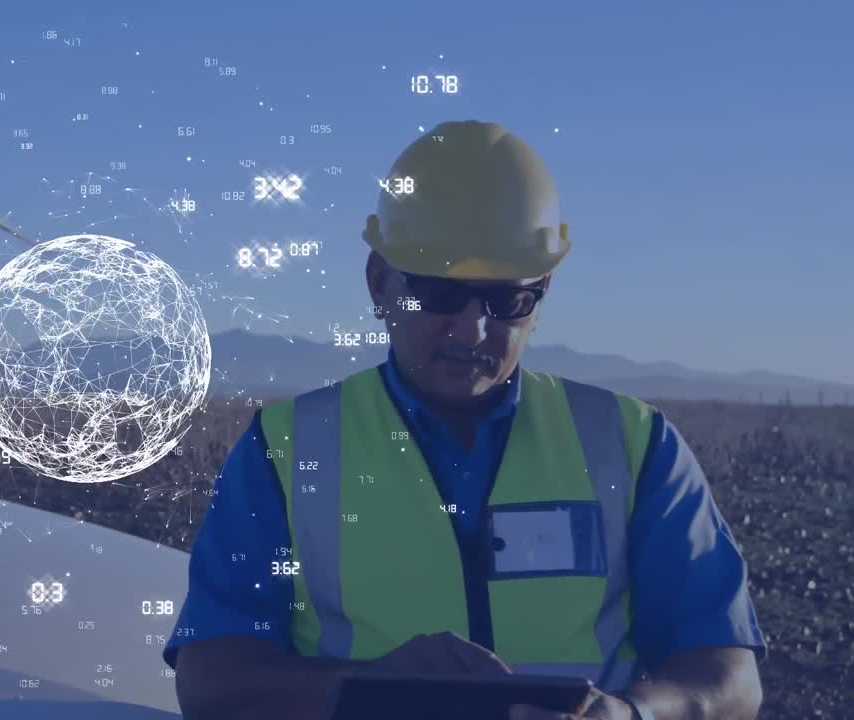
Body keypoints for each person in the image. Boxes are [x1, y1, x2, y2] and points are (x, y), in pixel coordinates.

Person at [163, 121, 766, 720]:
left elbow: (731, 680)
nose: (473, 329)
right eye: (439, 295)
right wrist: (373, 688)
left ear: (543, 292)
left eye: (507, 300)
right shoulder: (285, 451)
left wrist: (628, 715)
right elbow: (211, 680)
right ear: (379, 283)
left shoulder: (634, 446)